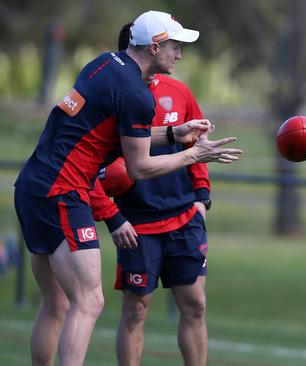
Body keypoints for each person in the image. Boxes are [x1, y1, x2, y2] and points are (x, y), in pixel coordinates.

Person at [14, 10, 243, 366]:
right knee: (89, 301)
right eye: (174, 46)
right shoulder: (137, 93)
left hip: (32, 186)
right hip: (63, 191)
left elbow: (116, 134)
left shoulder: (105, 64)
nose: (179, 55)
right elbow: (140, 167)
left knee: (56, 302)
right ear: (154, 47)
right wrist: (195, 155)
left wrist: (172, 133)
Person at [88, 22, 212, 365]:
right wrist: (112, 216)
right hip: (138, 224)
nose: (179, 54)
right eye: (173, 46)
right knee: (135, 311)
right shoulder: (114, 95)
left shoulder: (179, 91)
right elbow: (93, 162)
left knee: (195, 305)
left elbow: (198, 146)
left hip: (184, 218)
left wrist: (202, 197)